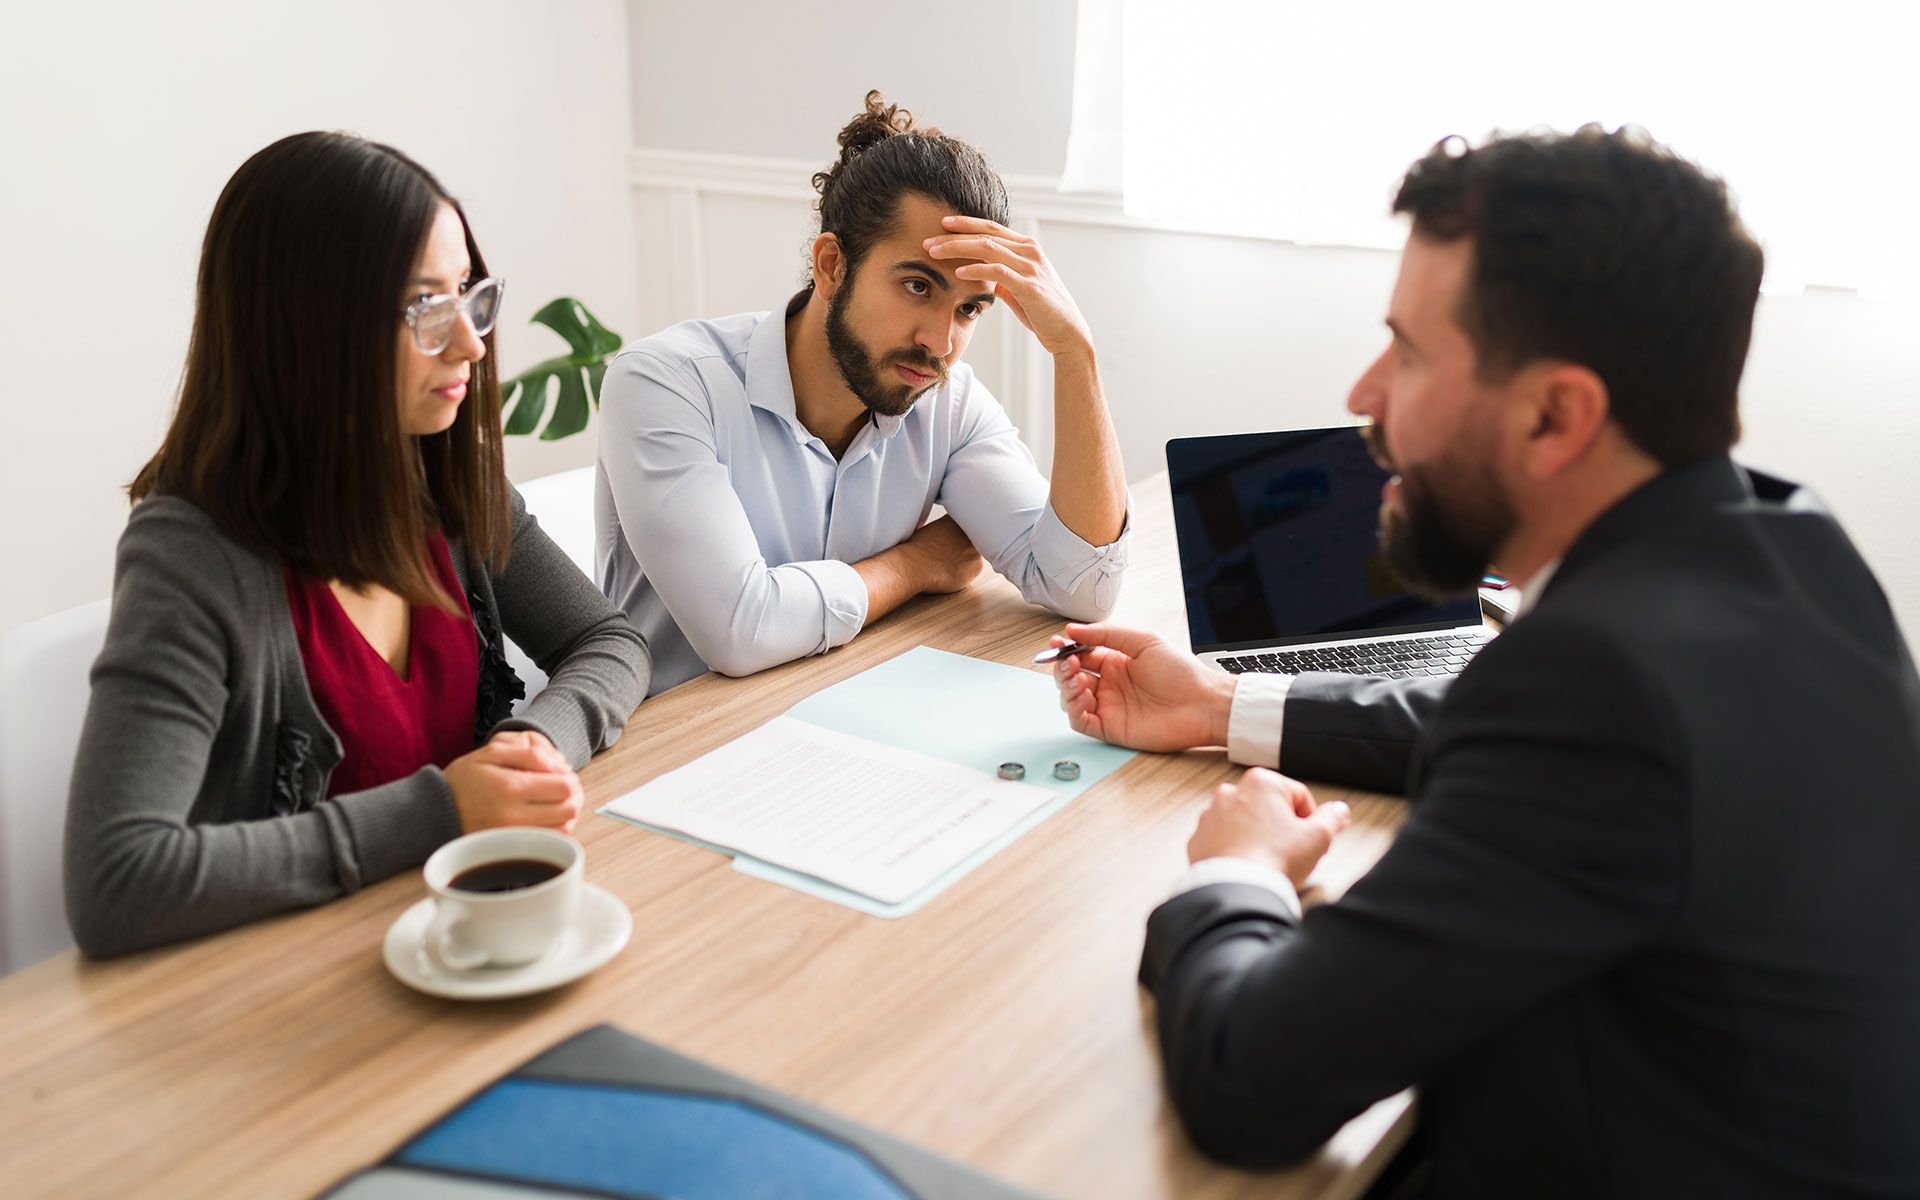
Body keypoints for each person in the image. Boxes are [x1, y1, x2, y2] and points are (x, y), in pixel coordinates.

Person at [1050, 127, 1920, 1194]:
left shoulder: (1600, 689)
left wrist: (1235, 871)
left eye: (1409, 353)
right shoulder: (1791, 546)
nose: (1365, 392)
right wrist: (1221, 705)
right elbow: (1516, 740)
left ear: (1557, 415)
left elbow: (1250, 1080)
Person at [65, 132, 652, 959]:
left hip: (460, 936)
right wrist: (442, 812)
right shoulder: (193, 556)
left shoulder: (448, 483)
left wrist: (535, 747)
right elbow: (119, 881)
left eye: (471, 296)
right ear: (306, 331)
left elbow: (607, 639)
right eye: (427, 311)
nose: (472, 345)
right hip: (296, 987)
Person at [596, 91, 1129, 695]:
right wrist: (916, 564)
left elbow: (1083, 588)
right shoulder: (666, 383)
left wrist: (1075, 355)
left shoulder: (947, 401)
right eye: (916, 286)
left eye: (970, 309)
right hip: (675, 748)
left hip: (841, 714)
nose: (940, 342)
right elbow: (740, 631)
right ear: (831, 266)